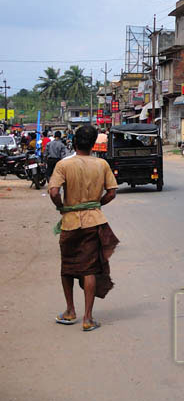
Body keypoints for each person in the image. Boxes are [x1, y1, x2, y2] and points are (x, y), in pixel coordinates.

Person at [48, 124, 119, 332]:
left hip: (70, 222)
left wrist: (62, 207)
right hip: (93, 221)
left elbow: (53, 192)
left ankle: (70, 311)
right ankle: (88, 318)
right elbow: (112, 192)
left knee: (67, 267)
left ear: (75, 142)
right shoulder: (102, 164)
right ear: (93, 143)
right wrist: (96, 205)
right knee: (89, 269)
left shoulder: (63, 165)